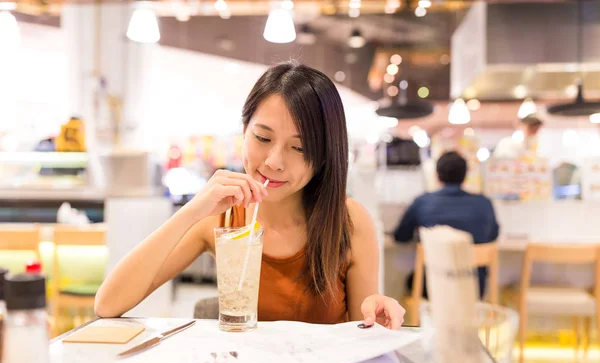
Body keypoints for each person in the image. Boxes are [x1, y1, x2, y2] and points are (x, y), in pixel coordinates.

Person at [95, 61, 405, 330]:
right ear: (244, 131)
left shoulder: (349, 222)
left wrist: (377, 313)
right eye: (262, 137)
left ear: (324, 156)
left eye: (298, 147)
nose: (273, 161)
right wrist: (192, 211)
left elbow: (362, 334)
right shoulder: (223, 218)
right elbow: (108, 304)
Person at [393, 151, 499, 299]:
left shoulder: (423, 202)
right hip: (474, 287)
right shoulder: (484, 203)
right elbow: (493, 235)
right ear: (465, 175)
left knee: (410, 280)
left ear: (437, 175)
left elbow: (400, 236)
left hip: (432, 287)